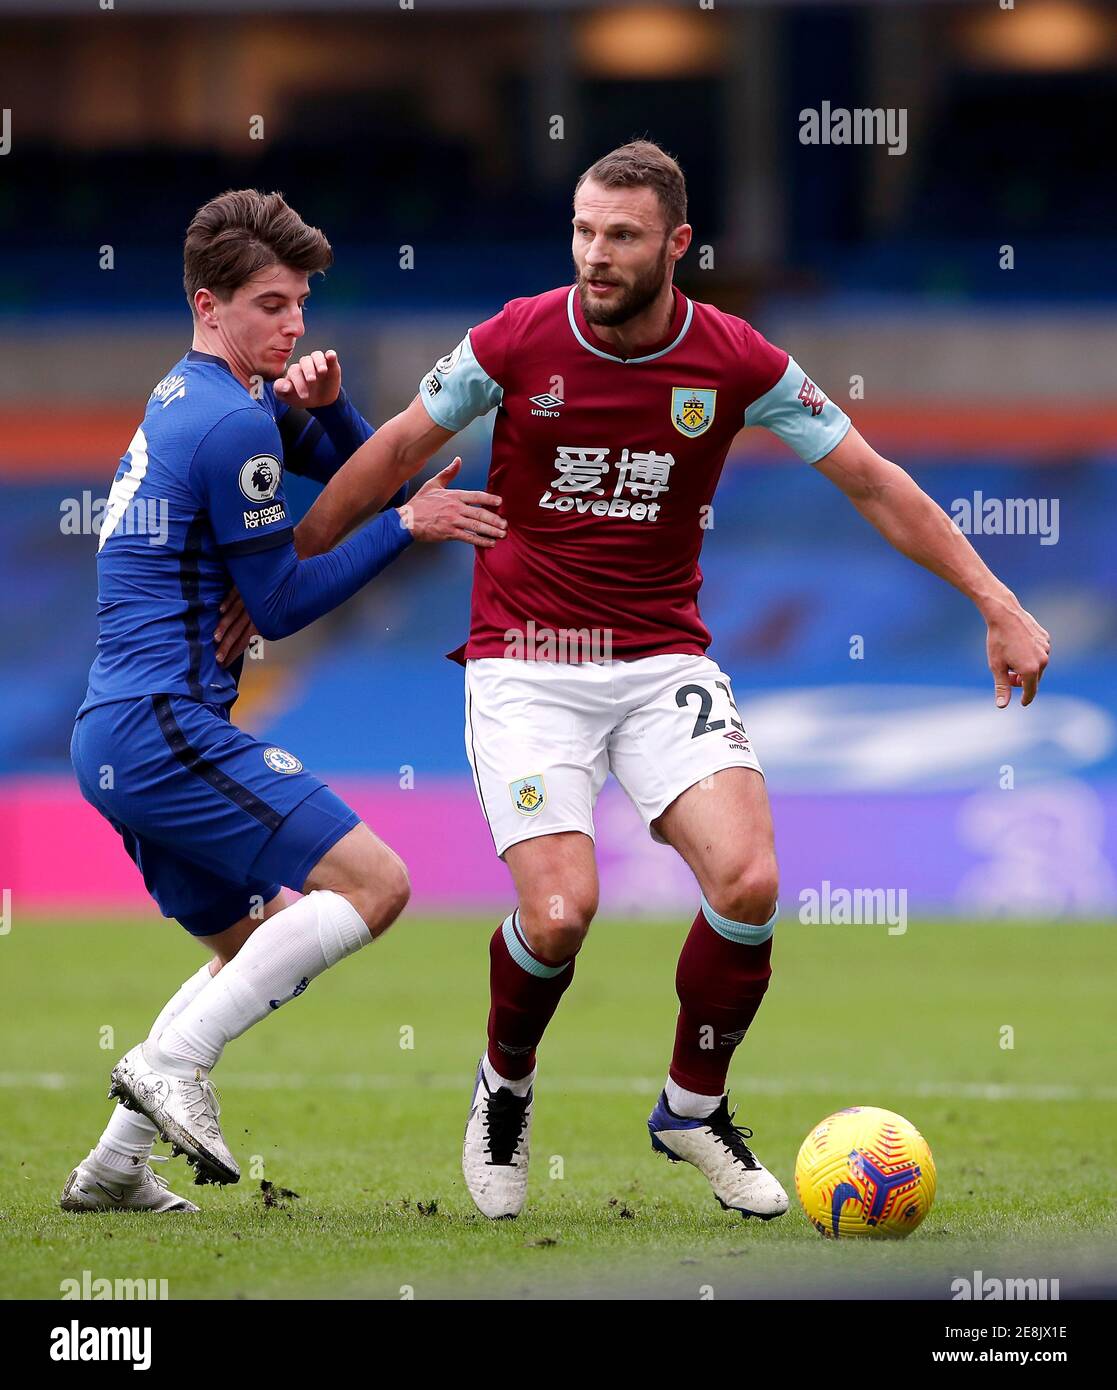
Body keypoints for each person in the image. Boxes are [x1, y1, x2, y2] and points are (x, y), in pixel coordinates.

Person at [287, 142, 1052, 1221]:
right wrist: (292, 567)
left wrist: (996, 599)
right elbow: (395, 445)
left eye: (622, 237)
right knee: (558, 915)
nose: (595, 257)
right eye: (583, 231)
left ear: (677, 246)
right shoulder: (514, 336)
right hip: (527, 660)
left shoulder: (737, 362)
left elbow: (872, 481)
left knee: (745, 884)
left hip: (660, 660)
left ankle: (692, 1106)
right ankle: (504, 1082)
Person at [61, 189, 505, 1212]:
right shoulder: (229, 425)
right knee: (377, 885)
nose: (294, 323)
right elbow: (282, 602)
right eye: (270, 304)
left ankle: (115, 1167)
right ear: (209, 306)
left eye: (302, 301)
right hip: (166, 726)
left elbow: (359, 474)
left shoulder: (197, 396)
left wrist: (332, 410)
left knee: (250, 942)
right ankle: (173, 1071)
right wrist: (414, 528)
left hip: (119, 729)